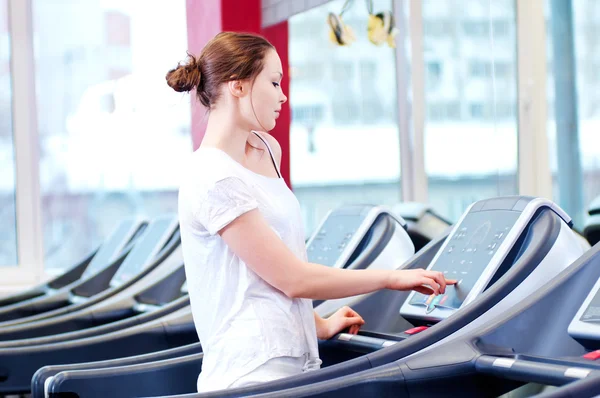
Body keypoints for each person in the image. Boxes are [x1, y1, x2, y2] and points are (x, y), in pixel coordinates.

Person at [168, 31, 456, 393]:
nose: (282, 95)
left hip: (292, 364)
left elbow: (266, 274)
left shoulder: (265, 150)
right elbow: (293, 278)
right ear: (237, 86)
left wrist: (317, 324)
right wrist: (389, 278)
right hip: (249, 376)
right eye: (273, 82)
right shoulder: (212, 176)